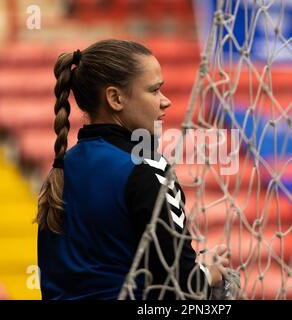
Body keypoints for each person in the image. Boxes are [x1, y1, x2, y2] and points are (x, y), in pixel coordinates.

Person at [35, 39, 229, 300]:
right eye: (155, 90)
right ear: (115, 98)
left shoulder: (60, 169)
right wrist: (210, 273)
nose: (166, 101)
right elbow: (182, 287)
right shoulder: (146, 168)